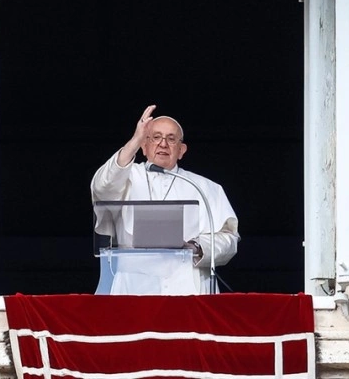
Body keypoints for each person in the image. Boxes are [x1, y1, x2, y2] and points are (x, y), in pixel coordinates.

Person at [91, 104, 239, 295]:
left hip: (187, 287)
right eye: (156, 137)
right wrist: (135, 139)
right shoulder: (126, 175)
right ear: (144, 146)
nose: (163, 144)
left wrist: (198, 247)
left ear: (182, 150)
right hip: (134, 286)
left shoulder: (204, 187)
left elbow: (229, 238)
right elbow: (102, 187)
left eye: (171, 139)